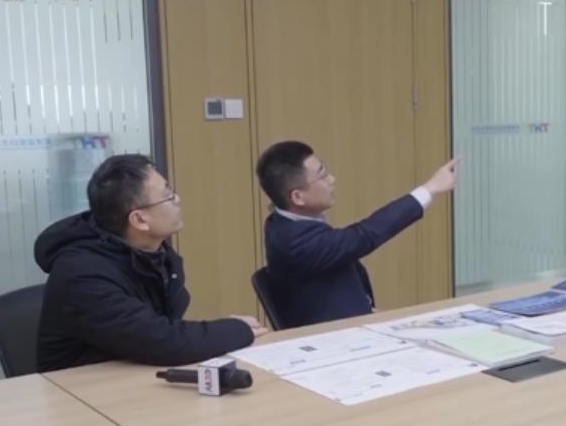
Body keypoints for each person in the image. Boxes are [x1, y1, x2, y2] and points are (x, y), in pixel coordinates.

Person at [34, 154, 268, 372]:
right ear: (139, 219)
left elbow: (162, 333)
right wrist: (235, 329)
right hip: (78, 392)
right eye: (168, 195)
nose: (177, 199)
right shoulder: (81, 274)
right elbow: (162, 341)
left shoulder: (153, 252)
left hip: (134, 376)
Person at [256, 140, 459, 327]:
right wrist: (429, 189)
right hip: (333, 338)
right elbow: (364, 236)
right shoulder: (293, 241)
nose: (332, 179)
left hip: (357, 321)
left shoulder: (287, 222)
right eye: (322, 175)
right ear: (298, 197)